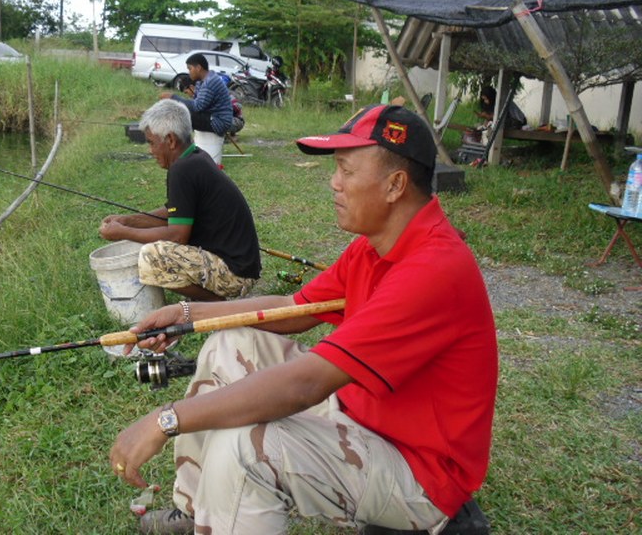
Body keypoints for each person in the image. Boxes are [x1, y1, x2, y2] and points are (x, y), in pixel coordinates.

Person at [109, 104, 498, 534]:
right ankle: (197, 512)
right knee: (229, 342)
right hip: (359, 414)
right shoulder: (374, 247)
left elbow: (304, 386)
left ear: (395, 185)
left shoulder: (433, 270)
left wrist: (167, 419)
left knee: (245, 448)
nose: (334, 183)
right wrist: (185, 313)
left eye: (347, 171)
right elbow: (294, 309)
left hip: (418, 474)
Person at [98, 99, 260, 302]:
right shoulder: (196, 157)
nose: (150, 151)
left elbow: (177, 236)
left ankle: (214, 305)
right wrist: (127, 221)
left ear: (171, 140)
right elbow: (173, 214)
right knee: (151, 245)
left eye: (151, 142)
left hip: (235, 276)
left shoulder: (182, 170)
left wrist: (123, 233)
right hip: (242, 267)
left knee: (152, 256)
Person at [160, 53, 234, 137]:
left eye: (190, 69)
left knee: (179, 113)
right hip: (211, 117)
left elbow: (197, 107)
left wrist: (173, 97)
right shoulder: (201, 81)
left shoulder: (210, 82)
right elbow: (198, 103)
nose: (189, 72)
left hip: (219, 122)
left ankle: (169, 138)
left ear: (198, 68)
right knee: (179, 112)